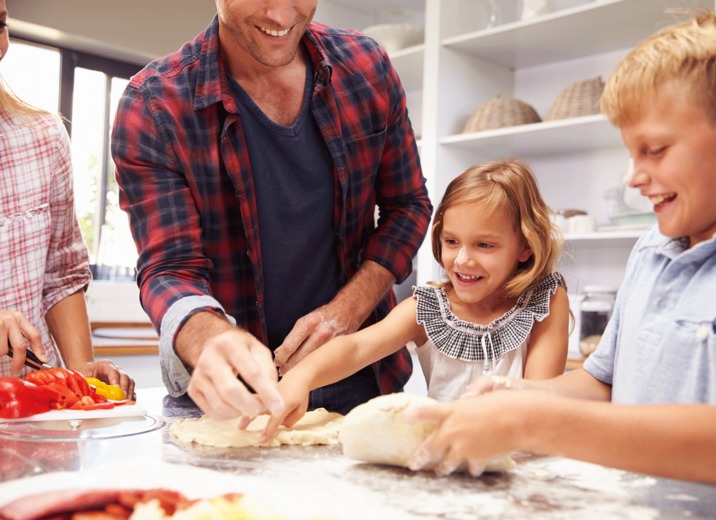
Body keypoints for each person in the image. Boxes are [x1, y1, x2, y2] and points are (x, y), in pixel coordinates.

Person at [403, 7, 716, 488]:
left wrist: (531, 422)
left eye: (656, 150)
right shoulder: (653, 248)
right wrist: (517, 396)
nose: (633, 177)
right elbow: (603, 384)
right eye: (629, 152)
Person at [110, 0, 432, 421]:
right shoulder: (153, 105)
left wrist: (350, 308)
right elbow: (170, 268)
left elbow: (408, 206)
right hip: (229, 397)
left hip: (363, 379)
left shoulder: (367, 67)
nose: (281, 17)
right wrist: (207, 337)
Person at [263, 159, 570, 439]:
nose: (462, 260)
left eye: (484, 245)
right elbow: (357, 347)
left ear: (525, 247)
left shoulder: (546, 300)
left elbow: (537, 401)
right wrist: (301, 377)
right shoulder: (430, 308)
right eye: (451, 241)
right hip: (444, 456)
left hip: (521, 455)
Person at [0, 0, 135, 398]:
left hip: (37, 414)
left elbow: (61, 276)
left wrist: (80, 373)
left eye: (0, 24)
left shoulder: (42, 138)